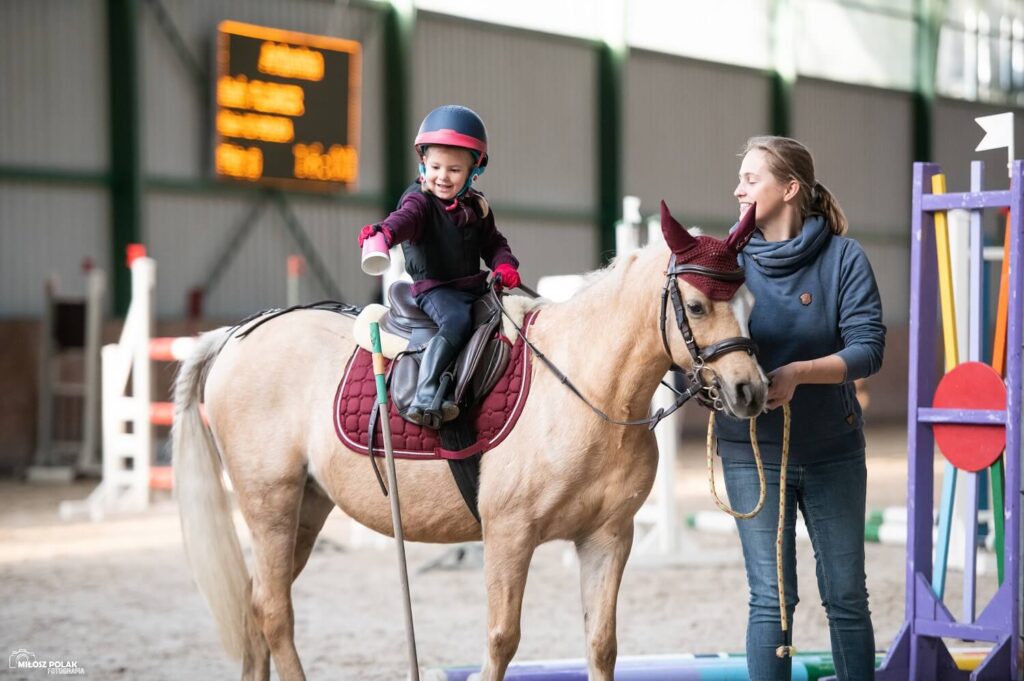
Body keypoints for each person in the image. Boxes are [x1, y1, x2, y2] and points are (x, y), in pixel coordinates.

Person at [714, 136, 885, 680]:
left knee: (846, 598)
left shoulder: (844, 258)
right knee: (772, 602)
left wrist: (798, 374)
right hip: (751, 456)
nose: (737, 189)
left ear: (789, 189)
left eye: (750, 179)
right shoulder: (724, 263)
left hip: (834, 451)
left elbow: (868, 348)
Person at [357, 105, 521, 429]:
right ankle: (426, 391)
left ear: (473, 172)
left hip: (472, 286)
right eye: (435, 167)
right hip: (435, 290)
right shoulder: (419, 202)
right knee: (457, 322)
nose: (443, 177)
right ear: (423, 164)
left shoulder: (477, 206)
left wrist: (504, 264)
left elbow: (493, 242)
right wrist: (384, 234)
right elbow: (402, 221)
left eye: (454, 170)